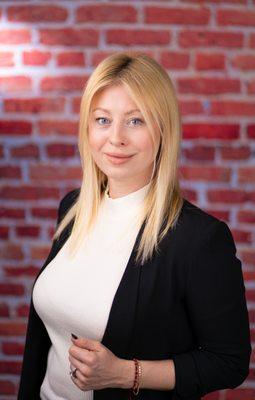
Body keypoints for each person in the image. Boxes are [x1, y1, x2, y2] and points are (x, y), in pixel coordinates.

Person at [17, 51, 251, 400]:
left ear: (163, 130)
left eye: (136, 121)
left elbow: (229, 361)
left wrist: (126, 373)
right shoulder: (74, 208)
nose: (116, 138)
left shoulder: (199, 240)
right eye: (102, 120)